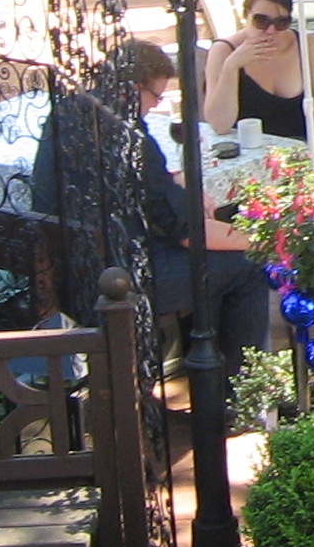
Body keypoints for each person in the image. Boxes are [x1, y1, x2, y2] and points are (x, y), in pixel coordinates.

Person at [38, 39, 272, 390]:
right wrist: (258, 240)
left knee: (209, 261)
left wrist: (175, 184)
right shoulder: (129, 131)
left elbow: (143, 186)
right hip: (118, 279)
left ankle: (205, 371)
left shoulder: (69, 110)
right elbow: (185, 228)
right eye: (156, 97)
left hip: (68, 269)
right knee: (247, 268)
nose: (155, 106)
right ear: (135, 89)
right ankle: (237, 394)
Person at [204, 0, 314, 161]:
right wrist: (231, 67)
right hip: (249, 157)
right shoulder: (224, 51)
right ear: (246, 14)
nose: (271, 30)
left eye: (281, 23)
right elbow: (219, 125)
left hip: (302, 151)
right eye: (261, 21)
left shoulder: (307, 45)